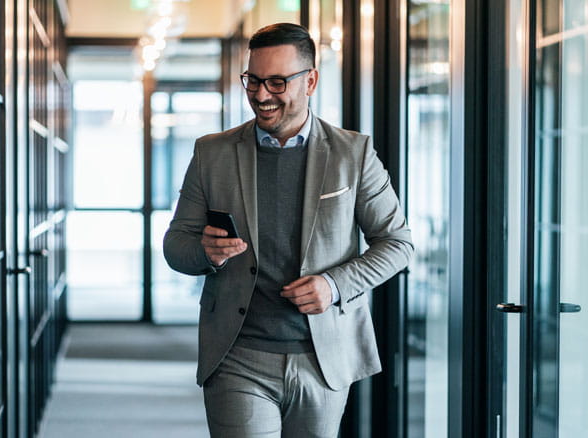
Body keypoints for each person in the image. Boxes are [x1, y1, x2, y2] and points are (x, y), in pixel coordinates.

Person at [163, 22, 413, 438]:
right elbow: (176, 246)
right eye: (253, 81)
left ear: (310, 80)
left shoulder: (353, 153)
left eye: (277, 82)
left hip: (323, 356)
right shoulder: (213, 152)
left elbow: (397, 244)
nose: (261, 95)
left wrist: (334, 285)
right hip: (238, 354)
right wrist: (205, 252)